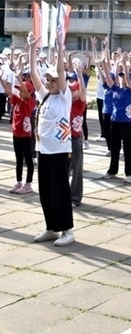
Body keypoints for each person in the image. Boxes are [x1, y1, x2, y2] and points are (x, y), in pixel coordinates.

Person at [28, 35, 75, 246]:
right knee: (46, 191)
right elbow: (32, 73)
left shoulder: (64, 97)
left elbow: (61, 71)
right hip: (43, 150)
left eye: (53, 80)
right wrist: (31, 48)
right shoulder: (44, 96)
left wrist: (60, 47)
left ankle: (67, 230)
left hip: (59, 151)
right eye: (48, 80)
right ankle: (51, 227)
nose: (50, 82)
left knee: (61, 192)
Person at [2, 74, 36, 195]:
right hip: (16, 135)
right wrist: (1, 79)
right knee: (19, 159)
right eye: (19, 90)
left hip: (26, 136)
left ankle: (28, 184)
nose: (20, 92)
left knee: (28, 160)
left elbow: (27, 94)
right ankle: (19, 182)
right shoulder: (17, 101)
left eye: (22, 90)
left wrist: (18, 79)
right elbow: (8, 91)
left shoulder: (30, 102)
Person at [68, 66, 87, 207]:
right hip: (64, 138)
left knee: (77, 168)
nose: (72, 92)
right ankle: (65, 194)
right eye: (71, 90)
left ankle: (75, 197)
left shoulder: (80, 103)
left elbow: (83, 93)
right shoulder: (66, 102)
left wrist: (80, 74)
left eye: (74, 90)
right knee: (64, 168)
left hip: (76, 139)